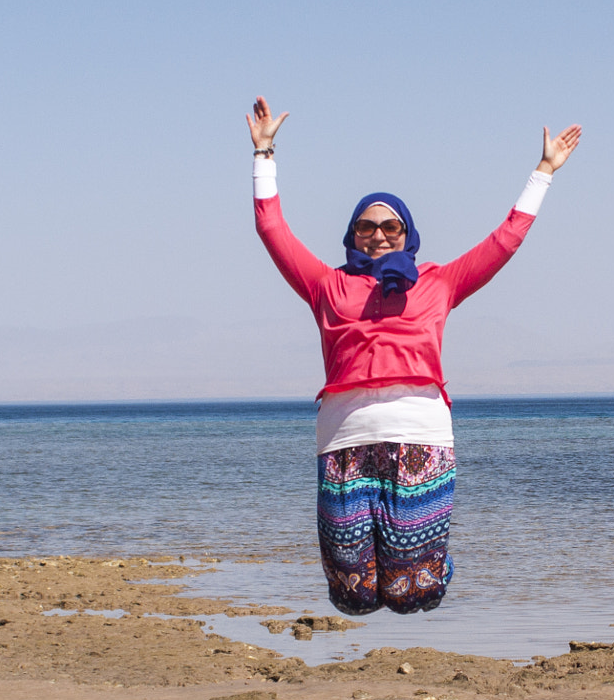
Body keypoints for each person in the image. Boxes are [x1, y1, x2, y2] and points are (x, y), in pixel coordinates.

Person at [248, 96, 581, 615]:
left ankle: (434, 565)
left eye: (390, 227)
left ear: (407, 234)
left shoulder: (438, 283)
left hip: (421, 435)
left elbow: (506, 239)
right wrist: (264, 154)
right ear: (351, 234)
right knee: (352, 593)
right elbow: (273, 231)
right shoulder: (326, 286)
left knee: (413, 592)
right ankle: (379, 578)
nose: (378, 235)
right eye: (366, 226)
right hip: (344, 438)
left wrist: (544, 170)